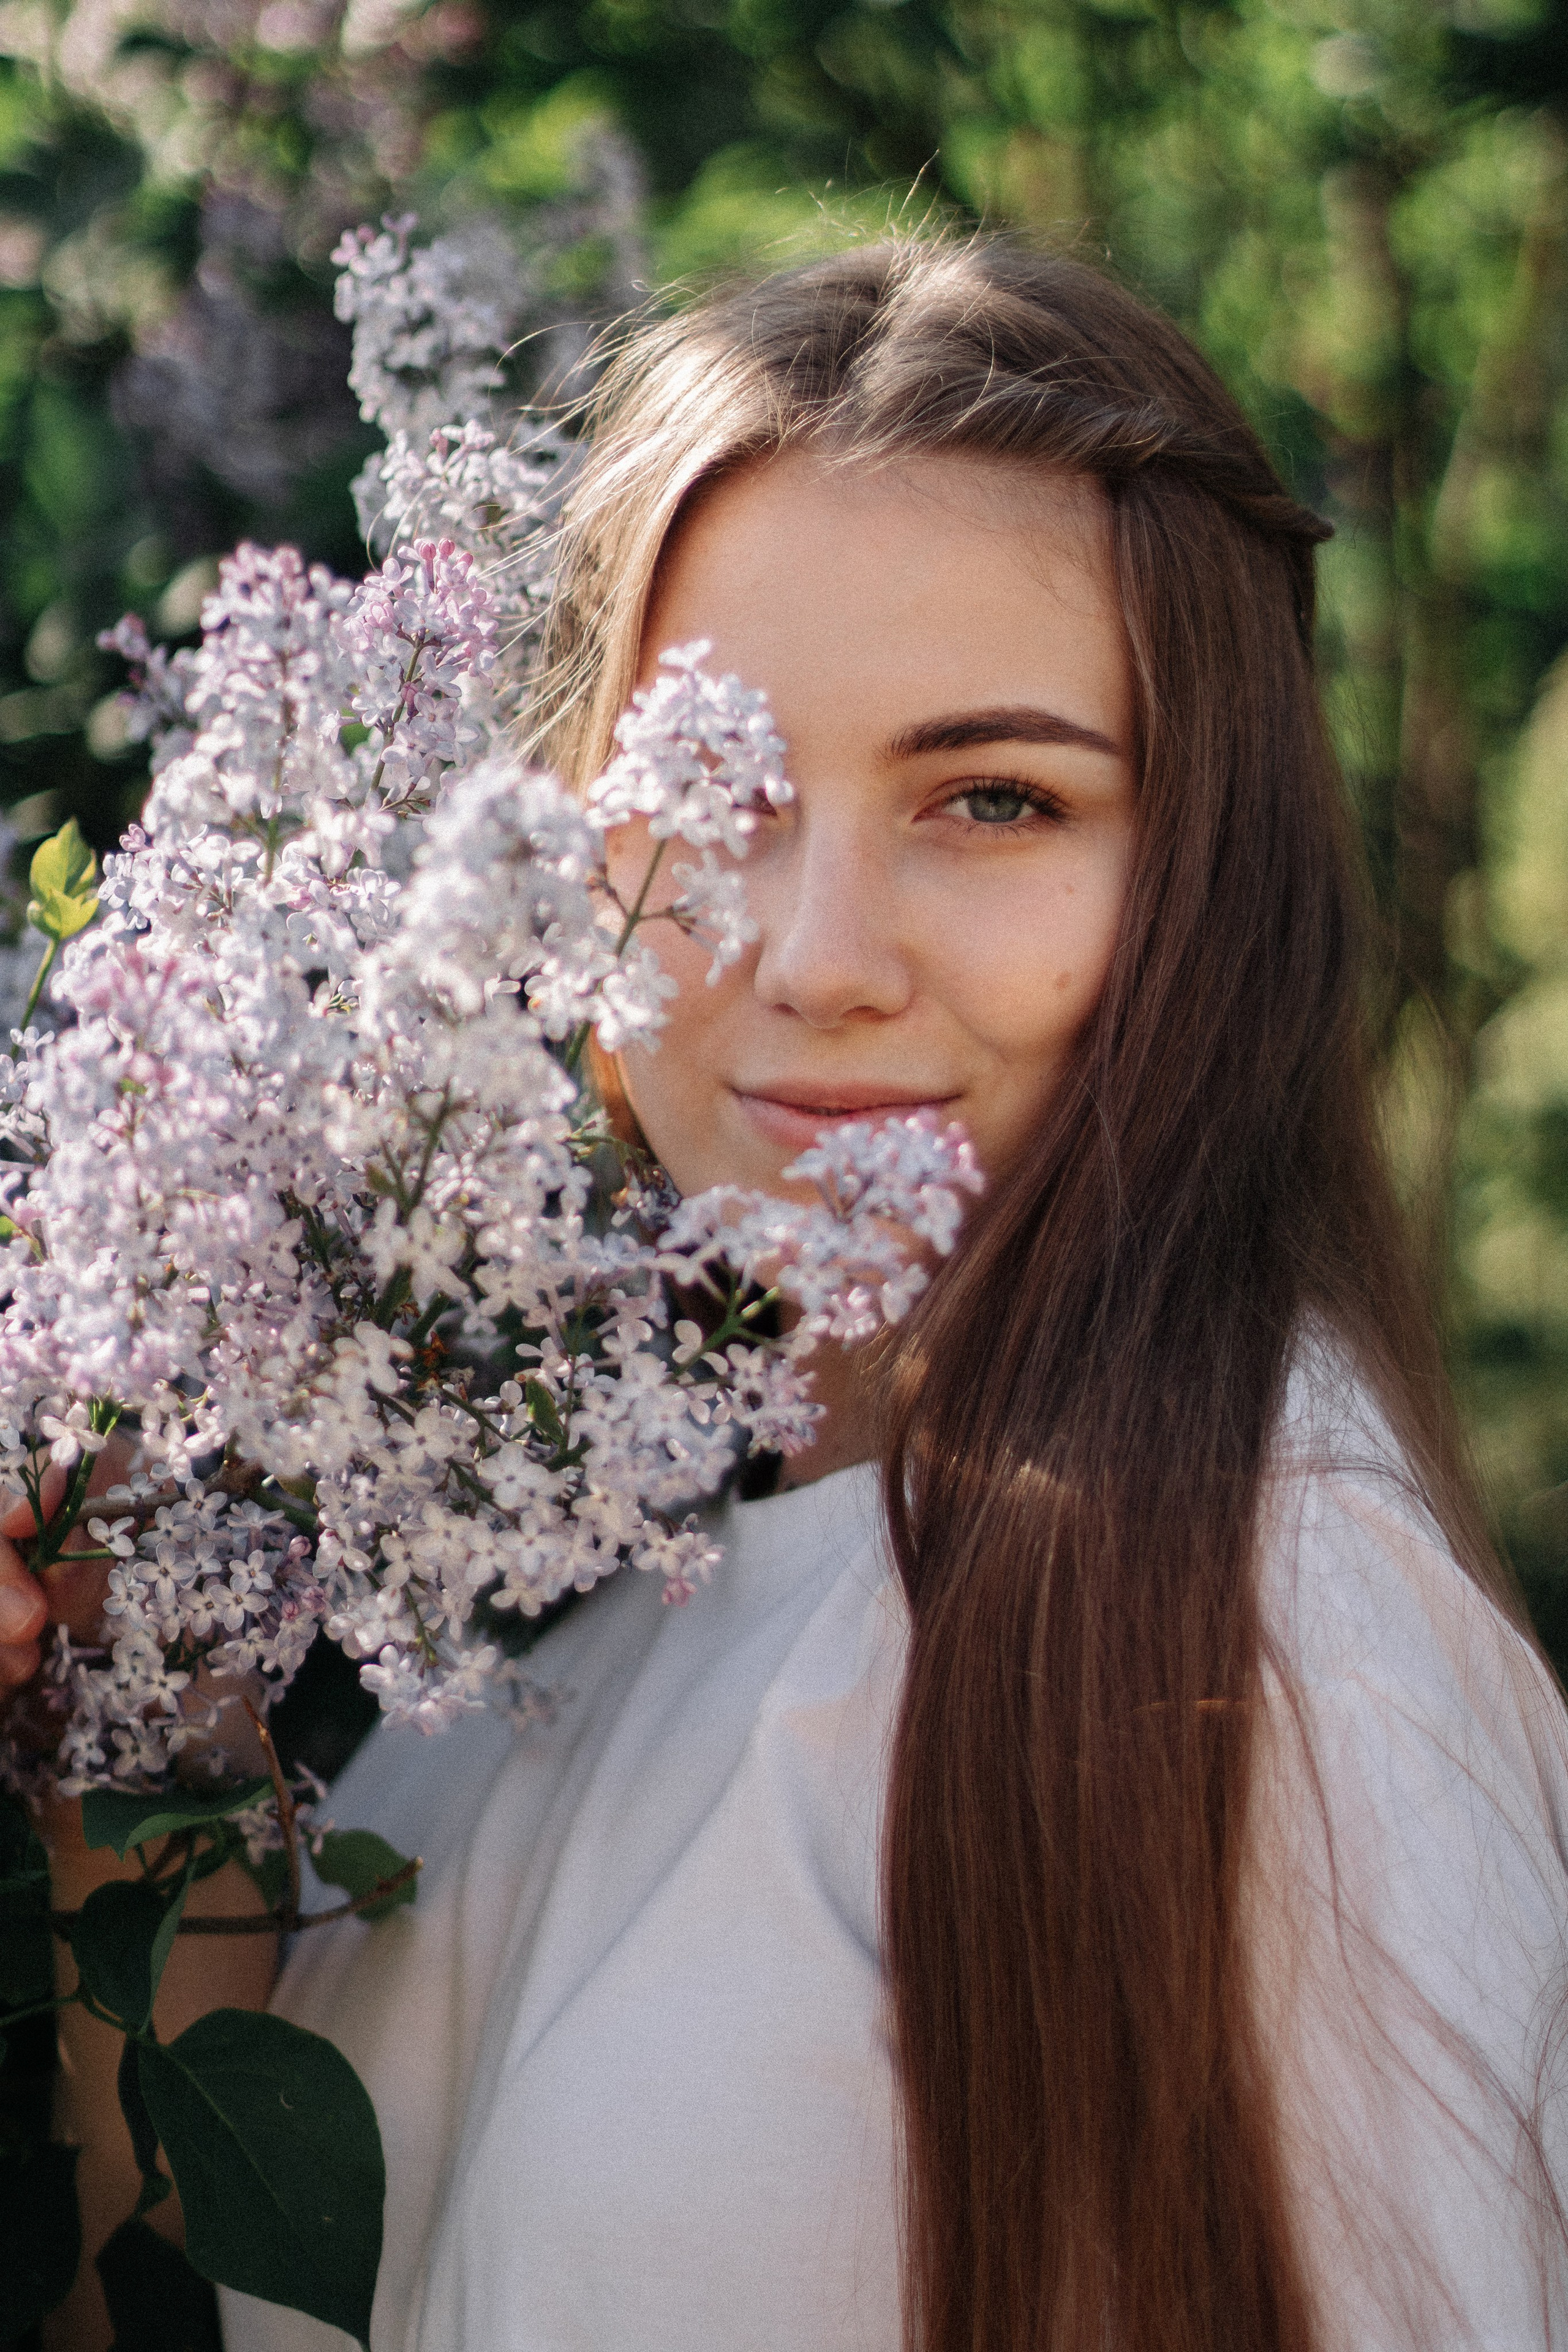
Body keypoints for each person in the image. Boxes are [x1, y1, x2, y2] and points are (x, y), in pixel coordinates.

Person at [5, 233, 1568, 2352]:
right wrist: (132, 1726)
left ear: (1208, 868)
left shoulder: (1272, 1651)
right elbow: (245, 2292)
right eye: (711, 792)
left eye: (995, 798)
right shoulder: (613, 1563)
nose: (821, 952)